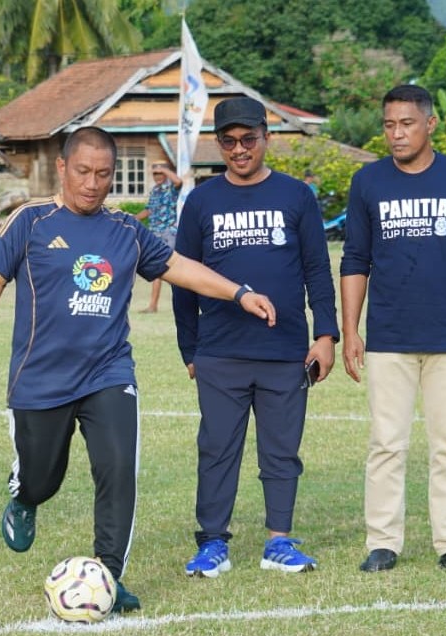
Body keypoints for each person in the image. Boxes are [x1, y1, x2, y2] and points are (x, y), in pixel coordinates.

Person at [0, 126, 276, 612]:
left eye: (104, 174)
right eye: (83, 172)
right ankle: (25, 497)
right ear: (62, 168)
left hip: (108, 373)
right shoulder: (31, 221)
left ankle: (108, 574)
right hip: (40, 379)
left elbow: (180, 268)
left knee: (119, 469)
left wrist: (239, 292)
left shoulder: (126, 231)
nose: (92, 183)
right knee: (44, 478)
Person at [173, 97, 339, 577]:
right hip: (220, 351)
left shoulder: (296, 196)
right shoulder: (201, 200)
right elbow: (183, 275)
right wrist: (190, 348)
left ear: (267, 137)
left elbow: (316, 271)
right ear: (219, 144)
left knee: (281, 449)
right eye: (229, 141)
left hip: (284, 349)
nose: (239, 149)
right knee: (217, 448)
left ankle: (279, 541)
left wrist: (325, 334)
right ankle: (212, 542)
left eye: (248, 139)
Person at [340, 84, 446, 574]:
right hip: (389, 337)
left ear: (429, 124)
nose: (396, 134)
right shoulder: (368, 181)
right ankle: (383, 542)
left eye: (406, 123)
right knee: (387, 443)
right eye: (389, 125)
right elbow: (355, 260)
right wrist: (351, 331)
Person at [135, 162, 181, 313]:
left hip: (168, 233)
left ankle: (184, 303)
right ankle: (153, 306)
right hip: (155, 234)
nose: (158, 176)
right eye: (155, 173)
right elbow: (149, 211)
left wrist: (165, 170)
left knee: (174, 270)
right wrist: (131, 219)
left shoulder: (171, 189)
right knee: (158, 270)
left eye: (160, 173)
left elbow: (179, 181)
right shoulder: (154, 191)